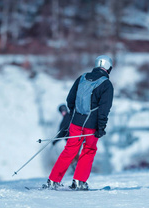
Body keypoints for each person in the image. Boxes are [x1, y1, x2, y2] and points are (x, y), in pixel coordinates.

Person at [43, 55, 114, 190]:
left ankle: (53, 181)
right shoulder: (106, 84)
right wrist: (101, 127)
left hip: (75, 122)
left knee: (69, 150)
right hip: (91, 126)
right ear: (108, 67)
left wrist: (74, 115)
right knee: (89, 150)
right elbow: (105, 109)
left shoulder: (82, 78)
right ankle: (79, 182)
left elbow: (70, 99)